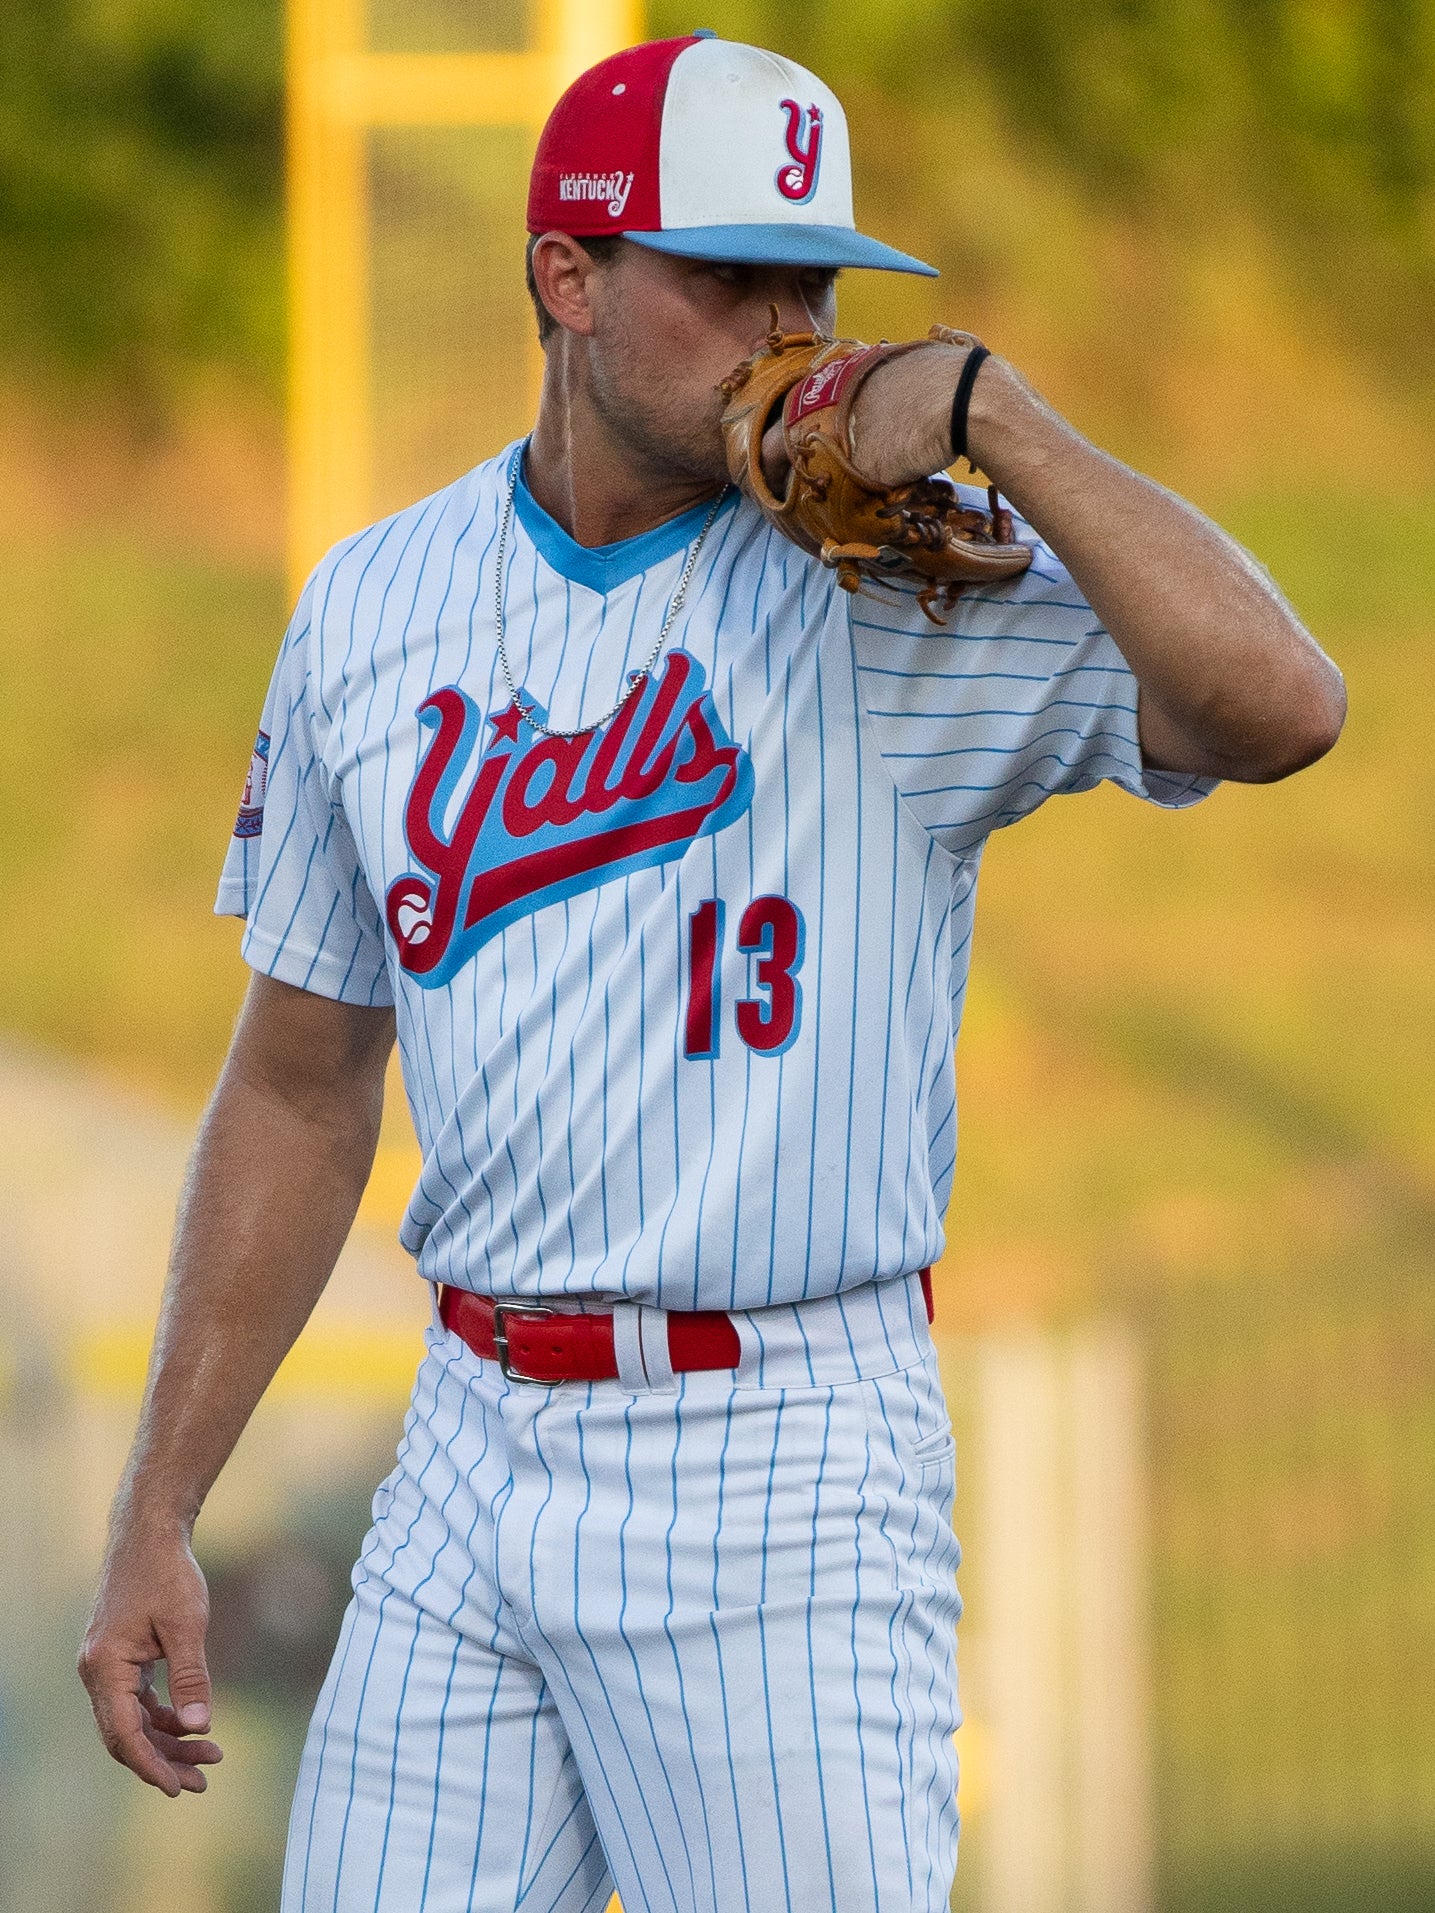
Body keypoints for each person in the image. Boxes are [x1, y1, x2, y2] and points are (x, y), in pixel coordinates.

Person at [78, 32, 1344, 1913]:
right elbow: (298, 1077)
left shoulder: (899, 588)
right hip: (468, 1443)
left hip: (778, 1461)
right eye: (726, 274)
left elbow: (1282, 707)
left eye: (814, 281)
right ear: (564, 277)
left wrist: (1000, 418)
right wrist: (160, 1504)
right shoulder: (373, 606)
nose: (789, 328)